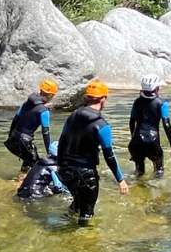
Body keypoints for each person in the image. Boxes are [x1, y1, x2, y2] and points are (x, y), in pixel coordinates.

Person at [54, 80, 129, 223]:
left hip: (66, 170)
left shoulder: (73, 116)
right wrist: (120, 180)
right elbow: (109, 156)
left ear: (87, 98)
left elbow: (62, 142)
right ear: (103, 99)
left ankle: (63, 223)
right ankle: (83, 242)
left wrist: (60, 166)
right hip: (85, 175)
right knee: (86, 216)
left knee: (77, 202)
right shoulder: (102, 125)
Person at [126, 75, 171, 179]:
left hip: (136, 141)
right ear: (157, 88)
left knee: (139, 172)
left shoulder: (137, 102)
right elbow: (166, 124)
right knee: (159, 171)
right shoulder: (162, 103)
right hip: (153, 142)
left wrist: (133, 138)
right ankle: (155, 191)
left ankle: (137, 191)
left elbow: (131, 122)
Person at [5, 79, 58, 171]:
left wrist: (10, 136)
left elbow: (15, 119)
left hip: (14, 138)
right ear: (50, 95)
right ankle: (20, 182)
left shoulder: (27, 103)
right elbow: (45, 133)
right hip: (24, 141)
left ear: (41, 90)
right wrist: (49, 152)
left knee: (28, 162)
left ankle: (19, 180)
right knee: (35, 166)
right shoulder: (44, 111)